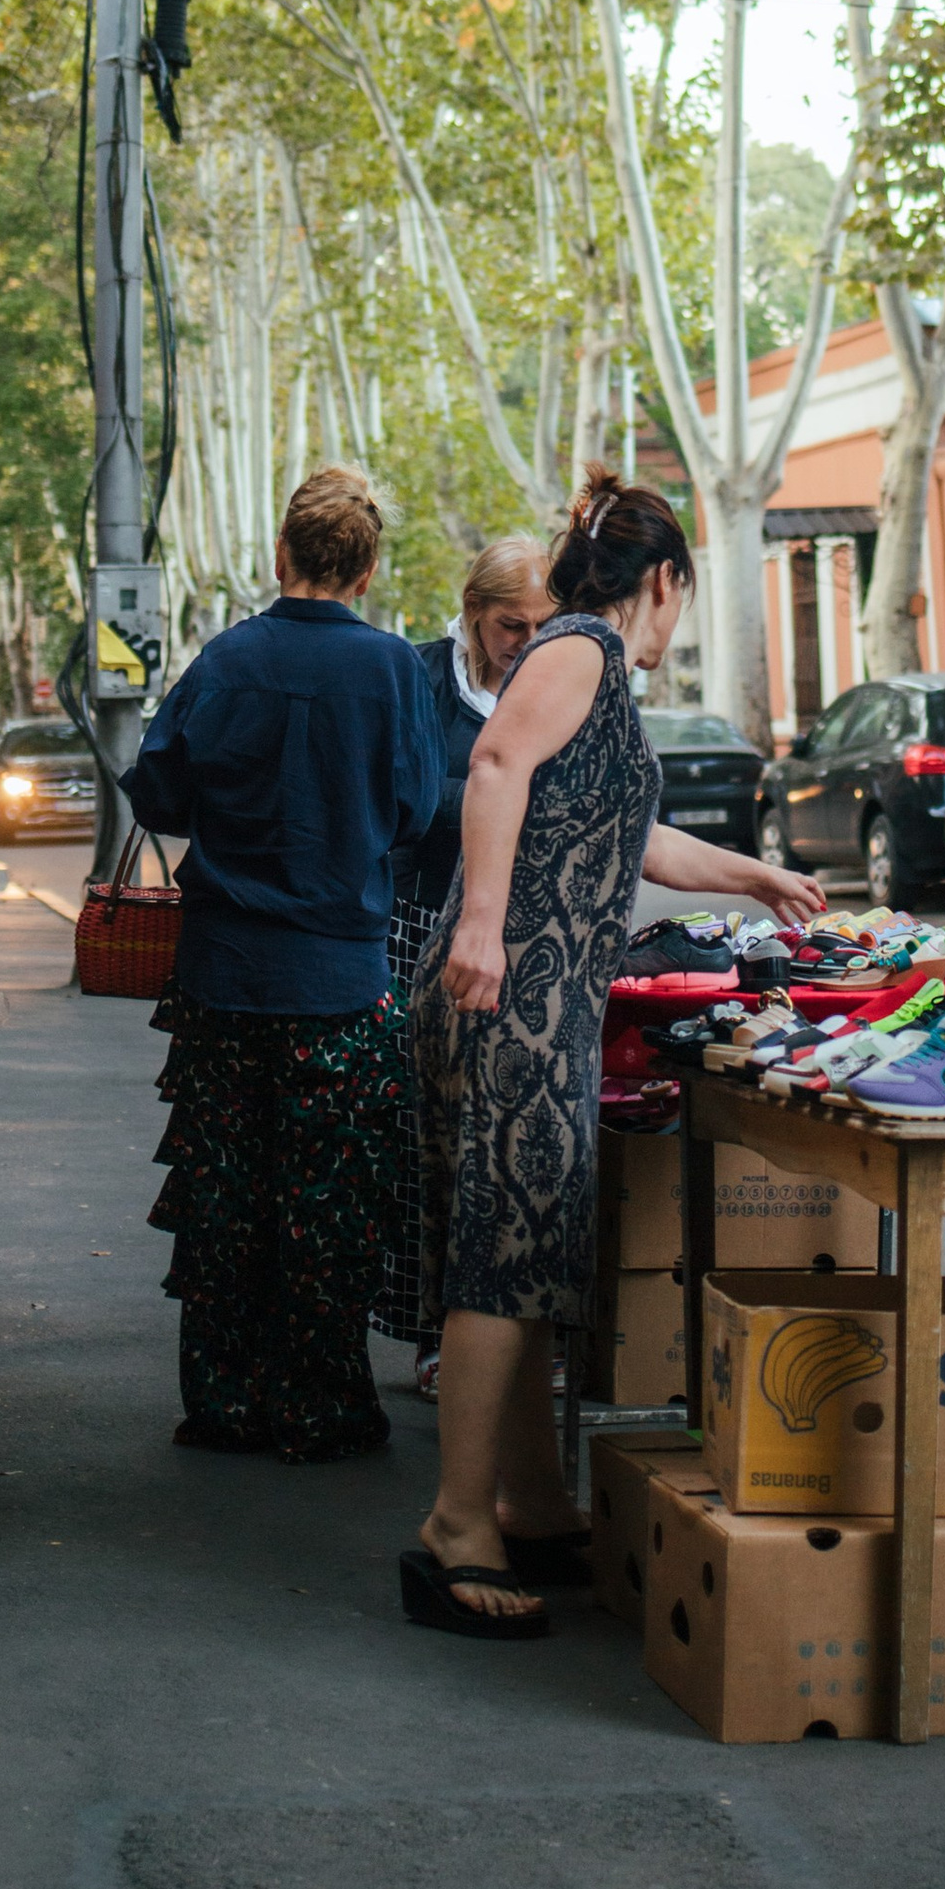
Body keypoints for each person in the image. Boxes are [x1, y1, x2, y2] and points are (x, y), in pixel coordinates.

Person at [402, 471, 818, 1638]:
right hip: (514, 995)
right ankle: (454, 1526)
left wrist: (755, 874)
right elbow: (494, 772)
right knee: (501, 1253)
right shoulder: (579, 649)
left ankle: (530, 1502)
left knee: (533, 1252)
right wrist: (482, 923)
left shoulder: (590, 670)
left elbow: (626, 836)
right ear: (667, 580)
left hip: (540, 1002)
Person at [130, 467, 444, 1463]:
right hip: (341, 980)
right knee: (330, 1199)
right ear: (367, 566)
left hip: (224, 970)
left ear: (281, 555)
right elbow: (417, 807)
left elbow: (159, 794)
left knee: (226, 1193)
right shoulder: (394, 670)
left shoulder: (227, 658)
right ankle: (320, 1407)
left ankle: (223, 1402)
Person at [376, 536, 555, 1380]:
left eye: (538, 623)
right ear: (473, 613)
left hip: (528, 935)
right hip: (424, 925)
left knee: (516, 1140)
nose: (523, 639)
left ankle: (523, 1335)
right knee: (429, 1143)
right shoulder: (418, 676)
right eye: (507, 624)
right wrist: (498, 793)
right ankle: (435, 1335)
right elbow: (402, 797)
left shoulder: (564, 678)